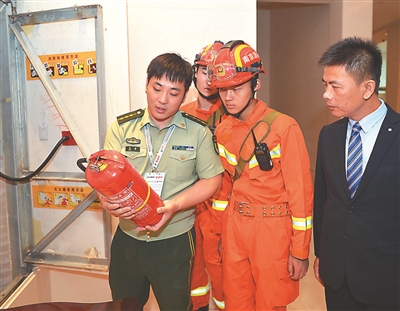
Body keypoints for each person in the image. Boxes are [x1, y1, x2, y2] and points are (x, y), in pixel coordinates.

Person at [99, 52, 224, 310]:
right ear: (147, 84)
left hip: (174, 240)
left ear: (185, 94)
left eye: (174, 92)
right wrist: (106, 201)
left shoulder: (197, 132)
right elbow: (105, 179)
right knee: (123, 306)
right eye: (157, 88)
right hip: (127, 240)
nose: (163, 99)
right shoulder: (122, 128)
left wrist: (175, 205)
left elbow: (213, 180)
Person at [208, 40, 314, 310]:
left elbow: (301, 195)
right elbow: (224, 189)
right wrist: (220, 234)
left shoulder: (284, 128)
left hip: (271, 230)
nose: (228, 98)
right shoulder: (223, 130)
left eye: (237, 88)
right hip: (234, 228)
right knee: (236, 304)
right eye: (223, 90)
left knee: (270, 305)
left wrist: (300, 251)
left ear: (256, 84)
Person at [313, 36, 399, 311]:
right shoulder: (329, 134)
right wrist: (321, 253)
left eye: (335, 86)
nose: (326, 94)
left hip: (386, 273)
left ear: (368, 88)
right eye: (325, 85)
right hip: (337, 271)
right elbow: (324, 199)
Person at [181, 40, 226, 311]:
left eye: (216, 72)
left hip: (222, 213)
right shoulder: (181, 115)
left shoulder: (233, 115)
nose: (209, 79)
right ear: (194, 73)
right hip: (187, 209)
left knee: (225, 280)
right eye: (204, 71)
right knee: (193, 277)